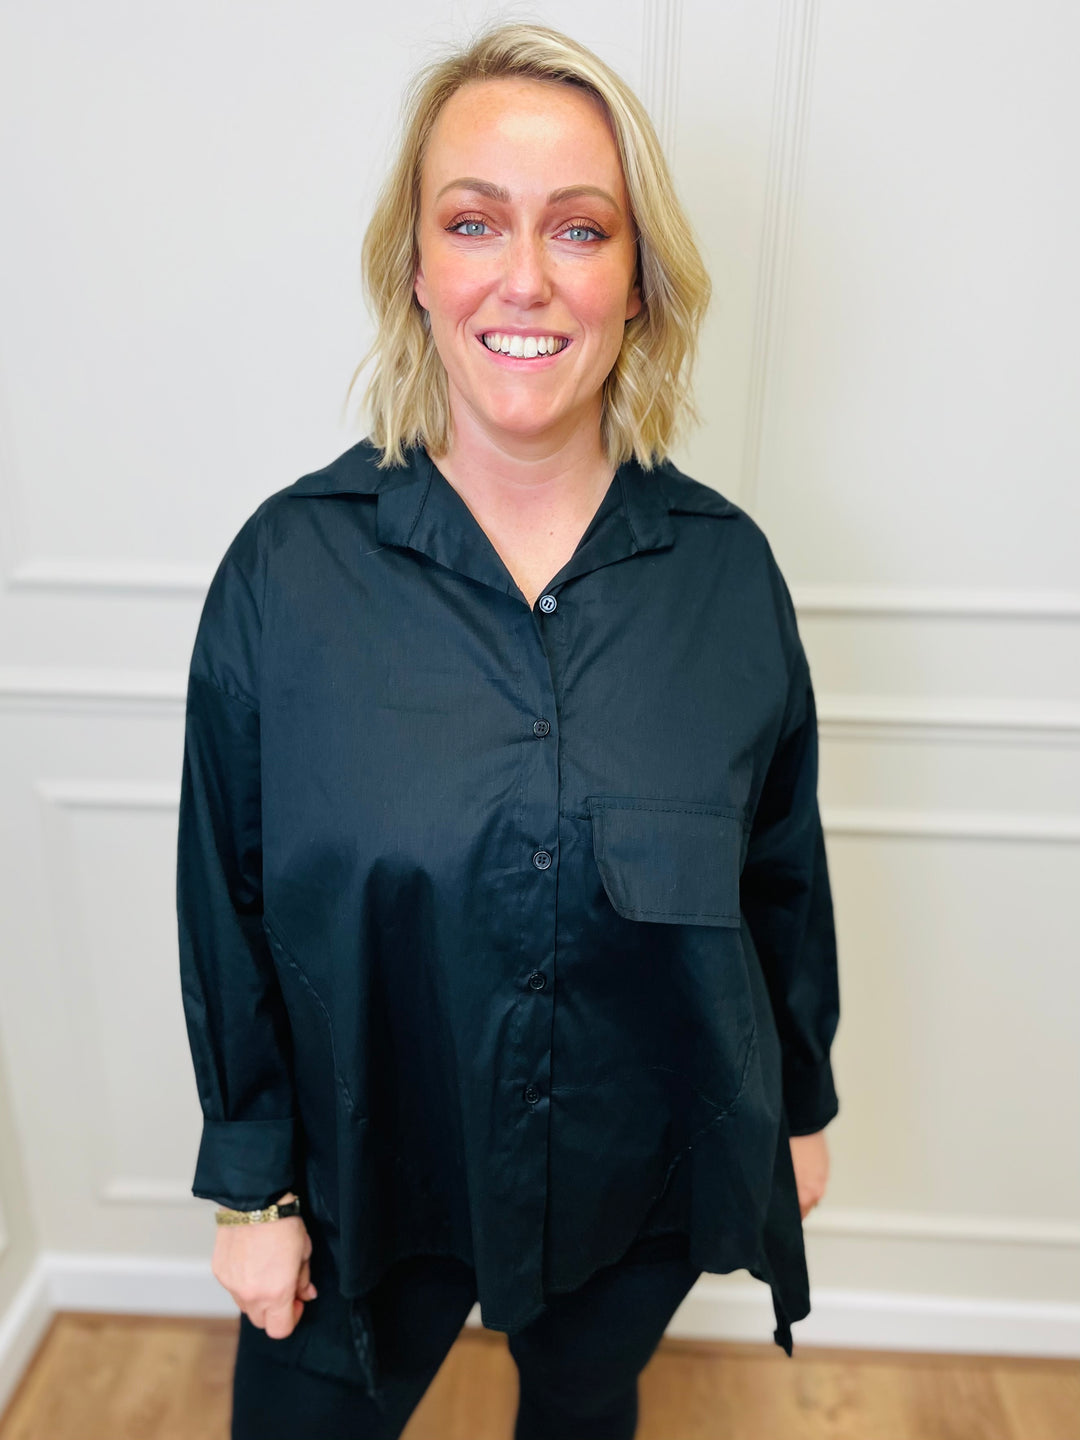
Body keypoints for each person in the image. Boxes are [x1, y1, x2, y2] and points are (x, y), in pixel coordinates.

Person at [176, 20, 840, 1440]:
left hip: (630, 1175)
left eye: (580, 229)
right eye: (473, 221)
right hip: (363, 1184)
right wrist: (251, 1190)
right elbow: (224, 906)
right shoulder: (286, 576)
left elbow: (780, 874)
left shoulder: (728, 579)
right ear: (416, 267)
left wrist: (798, 1100)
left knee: (585, 1416)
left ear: (638, 282)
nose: (524, 277)